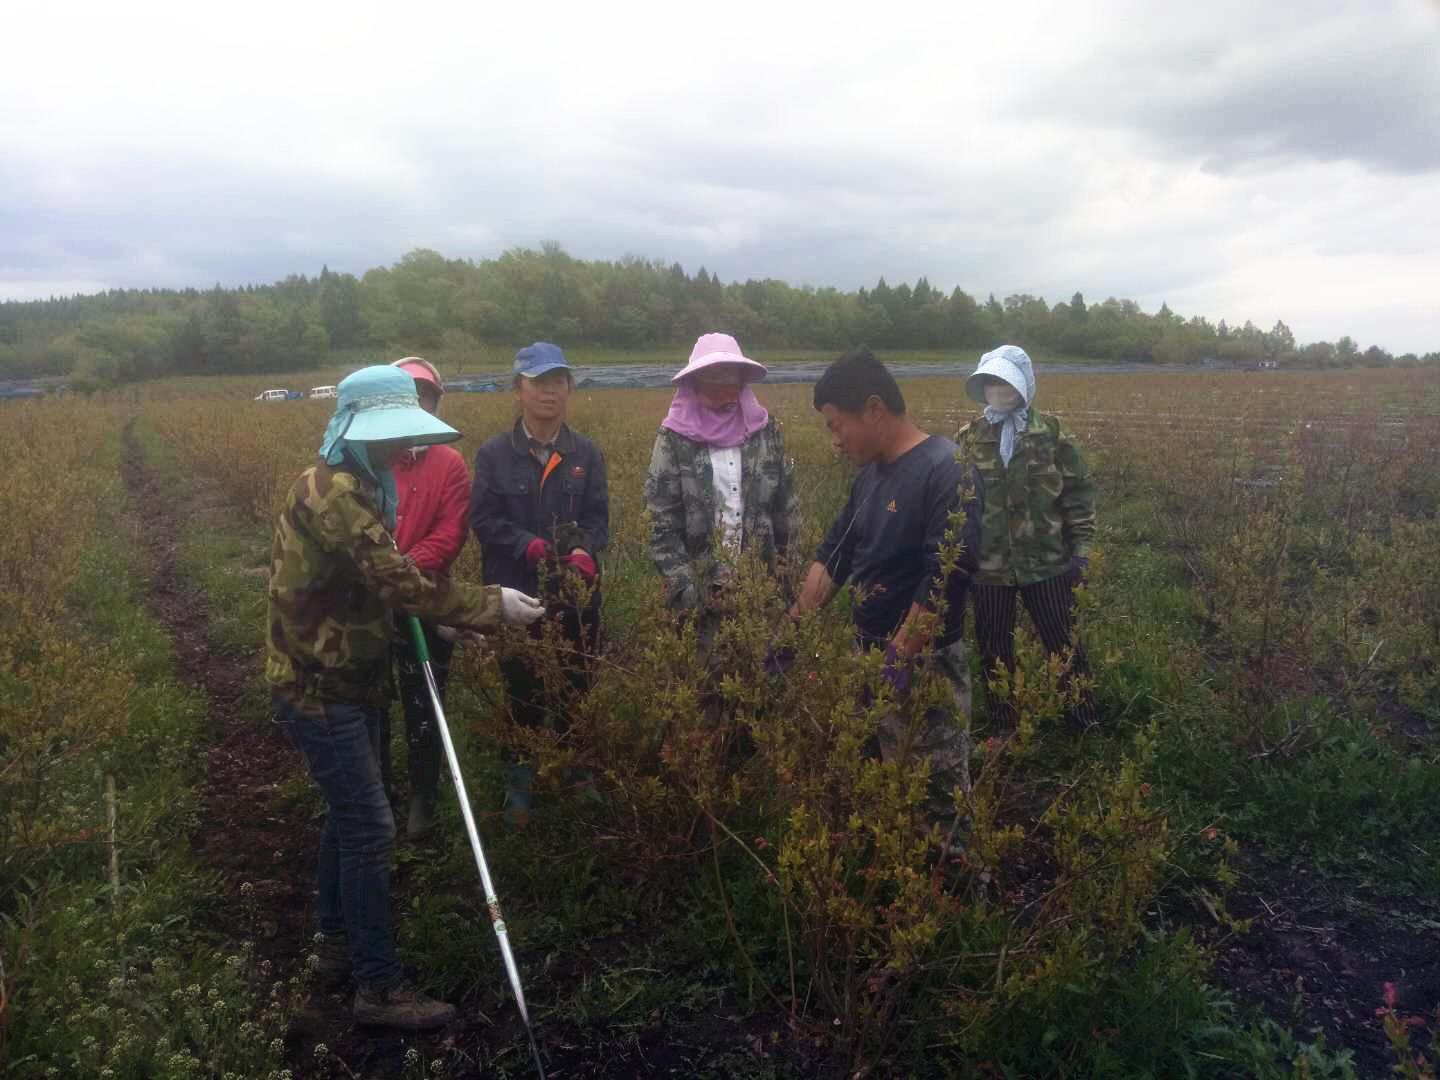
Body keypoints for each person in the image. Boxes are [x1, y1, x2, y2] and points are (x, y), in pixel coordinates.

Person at [267, 365, 546, 1031]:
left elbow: (376, 588)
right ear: (355, 432)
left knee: (349, 816)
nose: (400, 451)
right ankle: (378, 987)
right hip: (319, 688)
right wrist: (486, 605)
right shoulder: (334, 495)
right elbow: (397, 580)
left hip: (344, 681)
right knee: (370, 827)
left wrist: (438, 614)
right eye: (389, 437)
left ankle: (335, 944)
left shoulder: (356, 484)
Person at [791, 347, 984, 817]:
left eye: (837, 425)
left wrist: (895, 662)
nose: (835, 441)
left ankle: (955, 886)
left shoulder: (947, 469)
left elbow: (944, 581)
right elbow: (833, 558)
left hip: (924, 670)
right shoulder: (870, 478)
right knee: (874, 794)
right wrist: (789, 631)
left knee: (933, 807)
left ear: (874, 409)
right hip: (867, 658)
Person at [469, 343, 609, 827]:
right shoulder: (493, 454)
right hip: (516, 593)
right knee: (522, 687)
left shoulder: (585, 453)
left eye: (558, 381)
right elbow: (484, 521)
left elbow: (598, 520)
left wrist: (587, 551)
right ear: (518, 390)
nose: (550, 391)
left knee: (576, 682)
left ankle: (576, 769)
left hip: (575, 596)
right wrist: (524, 544)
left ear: (569, 388)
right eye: (539, 381)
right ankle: (520, 778)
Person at [954, 345, 1098, 730]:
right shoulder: (968, 438)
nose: (998, 390)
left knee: (1063, 644)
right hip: (988, 568)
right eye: (991, 382)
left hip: (1047, 562)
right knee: (994, 651)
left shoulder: (1052, 433)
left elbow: (1078, 495)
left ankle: (1083, 724)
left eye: (1006, 381)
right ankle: (1005, 728)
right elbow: (958, 504)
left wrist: (1081, 553)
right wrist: (960, 558)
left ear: (1023, 386)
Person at [644, 332, 800, 633]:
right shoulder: (673, 439)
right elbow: (660, 524)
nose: (723, 389)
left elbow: (787, 512)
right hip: (700, 599)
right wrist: (693, 593)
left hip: (762, 592)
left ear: (742, 381)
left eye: (730, 378)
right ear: (695, 383)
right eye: (712, 379)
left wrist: (786, 580)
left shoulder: (766, 432)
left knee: (765, 673)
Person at [385, 357, 471, 840]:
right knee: (372, 696)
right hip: (370, 600)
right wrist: (384, 575)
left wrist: (406, 570)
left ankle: (423, 792)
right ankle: (377, 785)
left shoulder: (450, 463)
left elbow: (451, 532)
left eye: (428, 397)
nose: (420, 404)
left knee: (426, 699)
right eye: (410, 395)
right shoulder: (370, 456)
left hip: (427, 595)